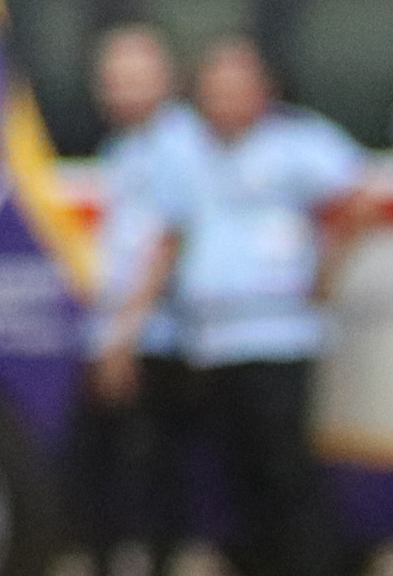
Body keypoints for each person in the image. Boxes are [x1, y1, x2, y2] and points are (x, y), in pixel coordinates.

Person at [98, 36, 378, 576]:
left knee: (285, 475)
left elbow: (360, 196)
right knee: (235, 481)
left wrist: (329, 267)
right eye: (213, 93)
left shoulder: (296, 142)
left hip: (277, 339)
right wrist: (128, 328)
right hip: (209, 341)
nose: (222, 104)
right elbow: (167, 237)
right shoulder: (188, 153)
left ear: (263, 93)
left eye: (234, 92)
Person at [74, 24, 200, 576]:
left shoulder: (177, 141)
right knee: (105, 473)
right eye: (111, 80)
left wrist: (123, 336)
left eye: (132, 79)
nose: (119, 91)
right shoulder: (124, 146)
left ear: (165, 80)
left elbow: (168, 242)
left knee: (152, 473)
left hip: (156, 335)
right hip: (122, 329)